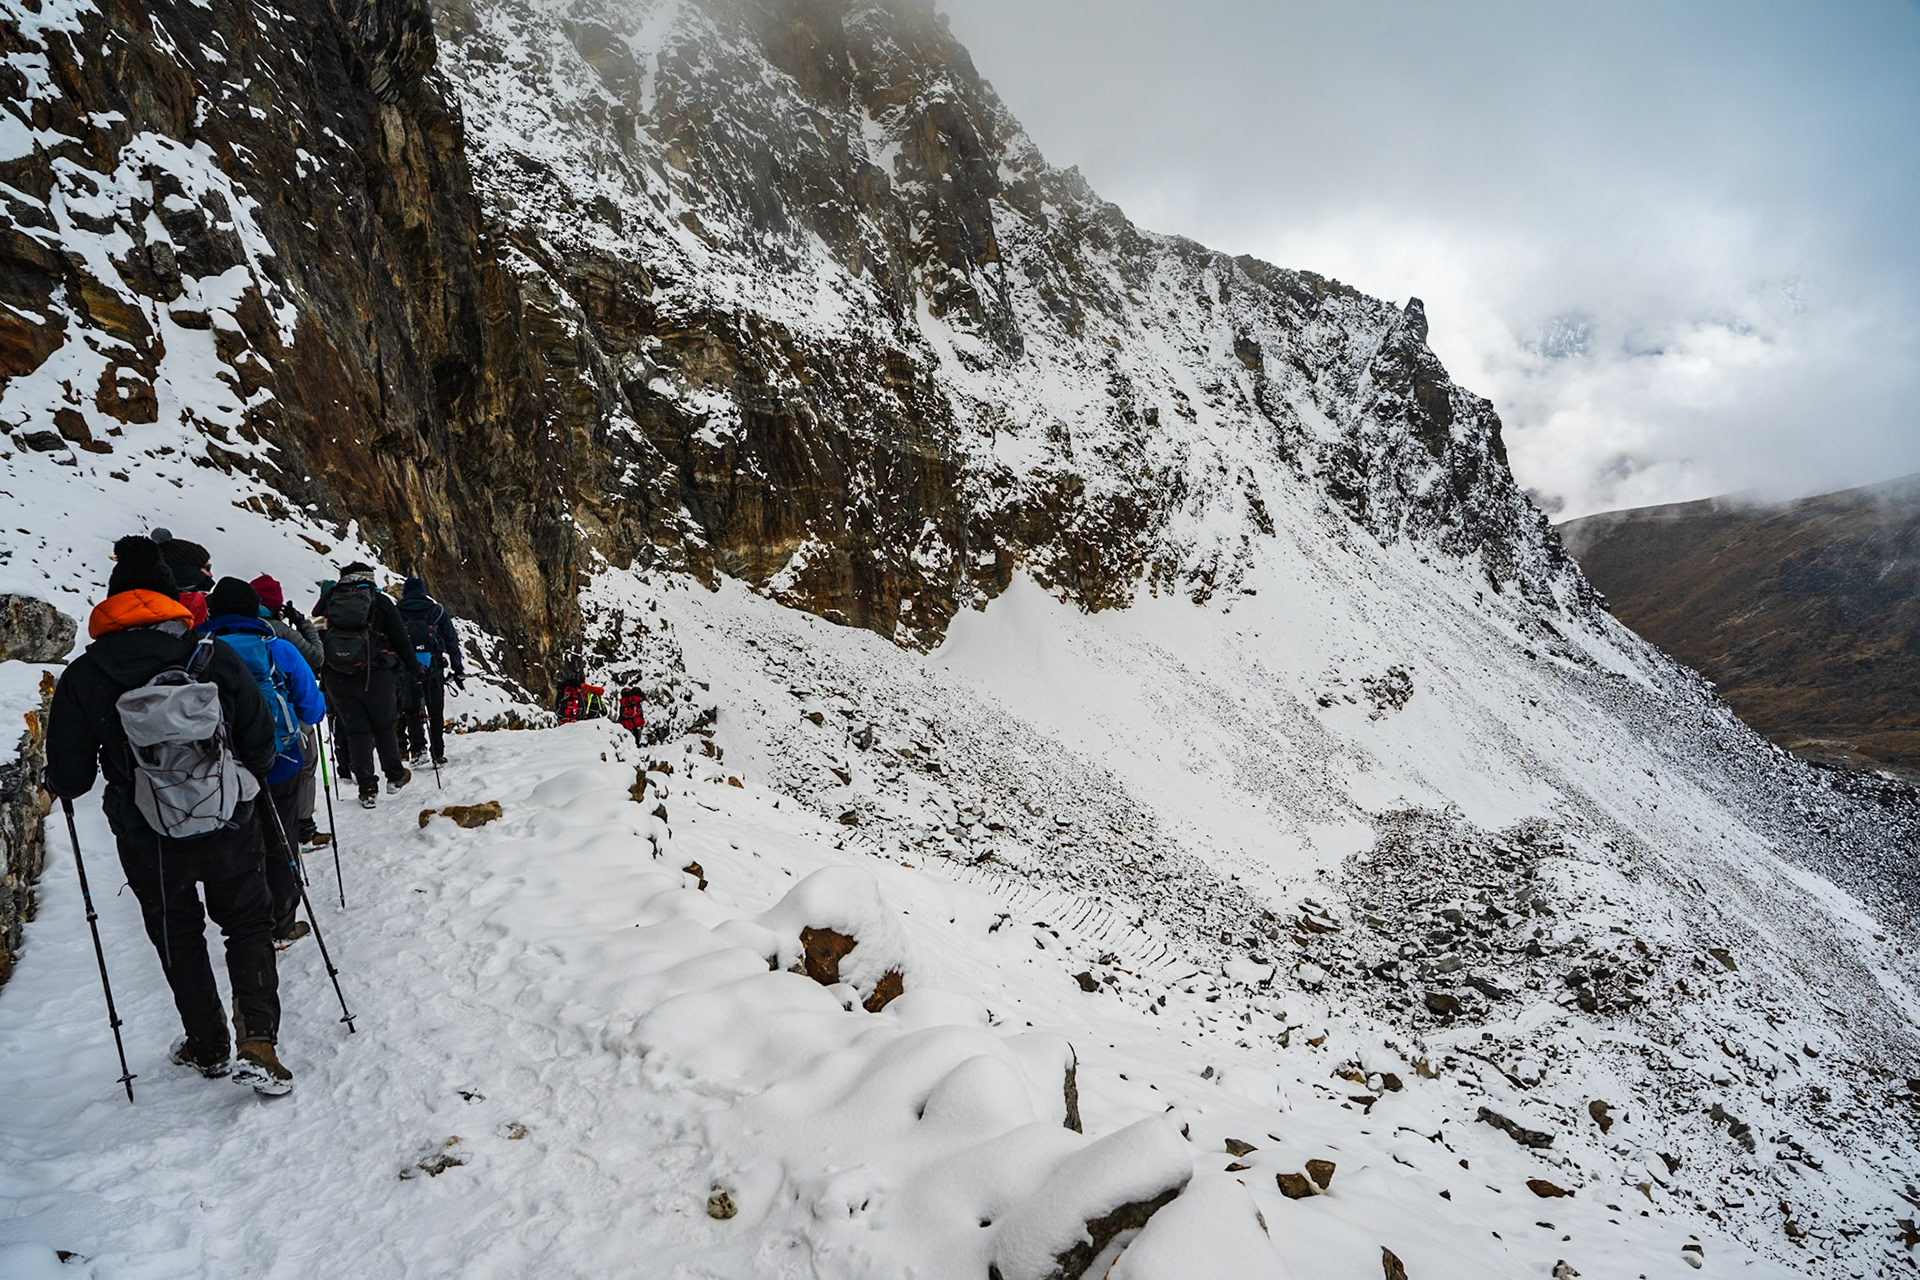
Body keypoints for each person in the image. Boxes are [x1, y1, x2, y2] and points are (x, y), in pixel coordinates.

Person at [43, 536, 294, 1094]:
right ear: (169, 603)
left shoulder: (86, 676)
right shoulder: (210, 656)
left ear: (111, 607)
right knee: (247, 923)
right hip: (228, 819)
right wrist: (244, 785)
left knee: (176, 933)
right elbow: (260, 742)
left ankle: (207, 1047)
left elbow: (73, 777)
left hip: (145, 831)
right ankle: (259, 1040)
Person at [199, 578, 326, 945]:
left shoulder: (198, 652)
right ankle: (282, 923)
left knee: (235, 842)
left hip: (218, 769)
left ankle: (244, 925)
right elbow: (313, 709)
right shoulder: (278, 649)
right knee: (279, 840)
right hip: (279, 762)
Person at [315, 563, 413, 809]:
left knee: (356, 731)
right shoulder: (380, 602)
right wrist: (413, 670)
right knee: (382, 725)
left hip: (337, 677)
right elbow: (401, 639)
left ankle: (367, 789)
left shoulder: (328, 600)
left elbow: (315, 635)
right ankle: (394, 775)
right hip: (374, 674)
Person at [252, 574, 327, 844]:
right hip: (288, 717)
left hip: (247, 720)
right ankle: (303, 827)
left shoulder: (236, 631)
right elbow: (316, 656)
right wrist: (303, 623)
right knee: (305, 767)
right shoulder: (280, 633)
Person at [396, 577, 466, 767]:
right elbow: (452, 642)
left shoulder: (397, 611)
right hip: (434, 667)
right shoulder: (437, 611)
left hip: (407, 668)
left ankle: (419, 749)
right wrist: (457, 668)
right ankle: (438, 754)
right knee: (435, 710)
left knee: (411, 709)